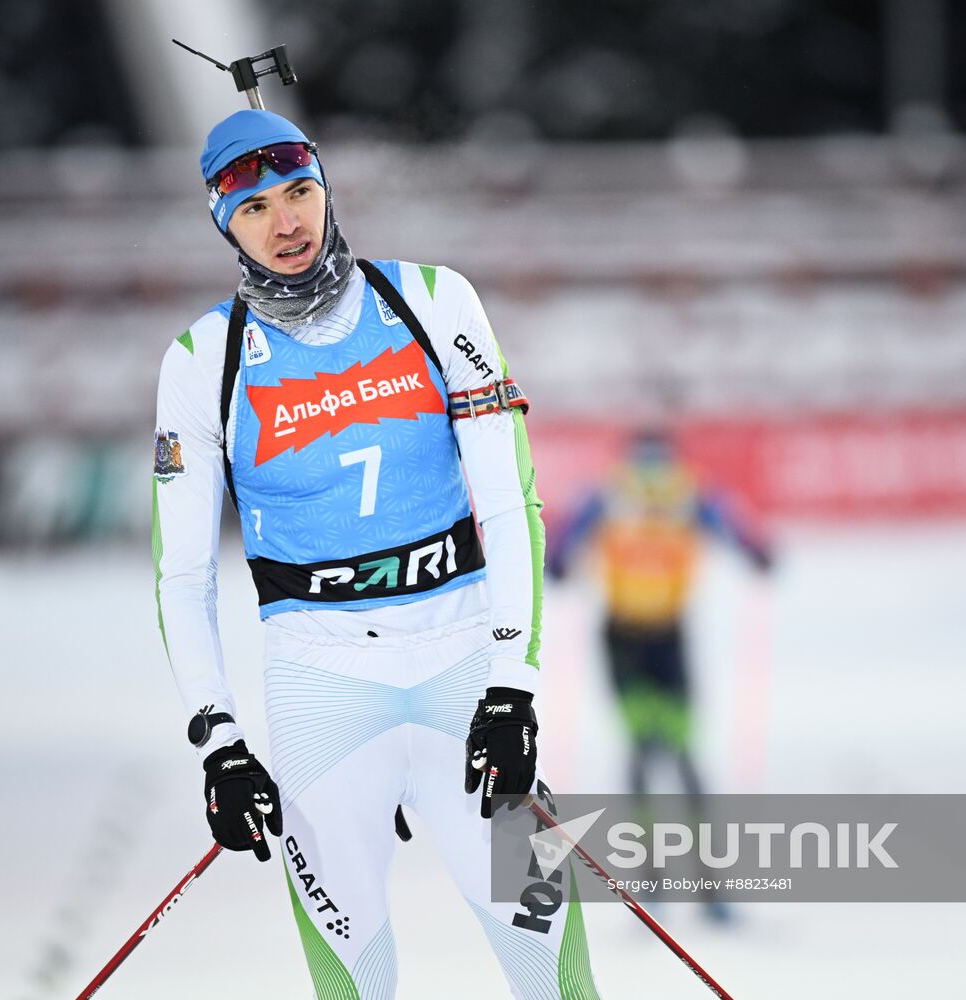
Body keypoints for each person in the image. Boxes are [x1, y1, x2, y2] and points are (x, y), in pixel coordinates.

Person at [151, 108, 602, 998]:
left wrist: (514, 689)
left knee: (554, 967)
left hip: (465, 657)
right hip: (321, 685)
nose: (285, 223)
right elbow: (183, 574)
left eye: (299, 193)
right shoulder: (204, 358)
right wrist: (221, 743)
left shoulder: (434, 301)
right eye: (253, 209)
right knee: (351, 974)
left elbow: (511, 505)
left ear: (325, 188)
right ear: (222, 222)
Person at [548, 428, 773, 921]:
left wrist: (757, 552)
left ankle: (697, 885)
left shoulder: (671, 494)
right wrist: (757, 554)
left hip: (661, 640)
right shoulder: (626, 495)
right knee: (651, 749)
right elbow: (561, 547)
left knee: (673, 753)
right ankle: (661, 882)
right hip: (630, 641)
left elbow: (739, 534)